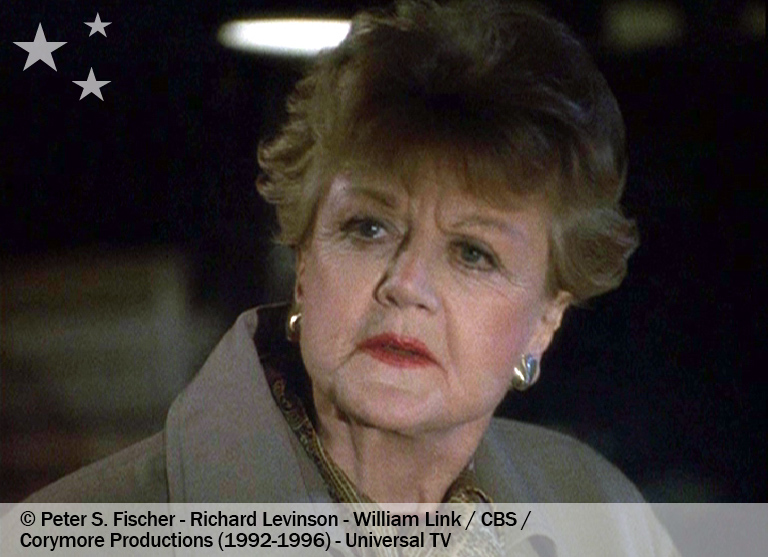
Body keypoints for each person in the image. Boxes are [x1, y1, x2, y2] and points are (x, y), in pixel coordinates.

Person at [25, 1, 680, 554]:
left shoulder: (606, 519)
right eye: (369, 228)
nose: (406, 284)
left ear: (545, 320)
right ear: (304, 260)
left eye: (473, 253)